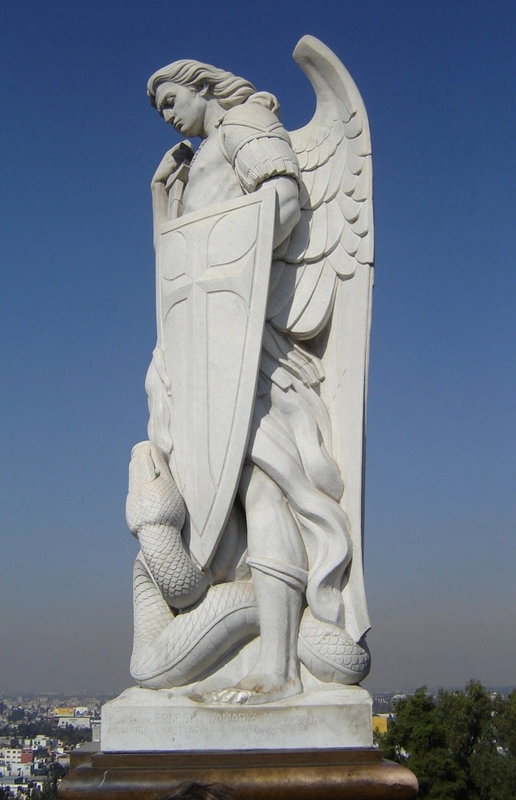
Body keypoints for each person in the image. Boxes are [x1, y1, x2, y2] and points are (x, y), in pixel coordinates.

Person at [144, 60, 360, 704]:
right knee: (229, 492)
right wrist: (165, 199)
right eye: (161, 111)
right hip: (208, 348)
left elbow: (283, 203)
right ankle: (259, 645)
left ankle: (282, 667)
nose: (170, 116)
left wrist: (229, 276)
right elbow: (180, 267)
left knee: (268, 485)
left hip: (248, 348)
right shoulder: (204, 155)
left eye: (173, 100)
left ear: (204, 87)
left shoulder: (247, 123)